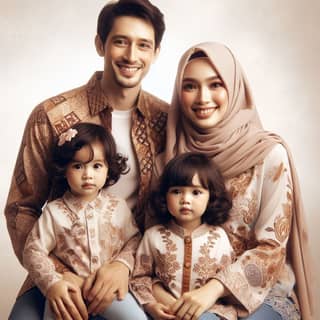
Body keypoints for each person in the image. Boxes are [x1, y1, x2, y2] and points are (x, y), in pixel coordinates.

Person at [5, 0, 168, 319]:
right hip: (57, 273)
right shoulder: (50, 115)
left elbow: (168, 212)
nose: (131, 56)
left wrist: (124, 265)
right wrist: (57, 275)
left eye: (143, 45)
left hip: (133, 273)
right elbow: (21, 209)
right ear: (100, 44)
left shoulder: (167, 121)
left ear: (155, 53)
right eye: (120, 41)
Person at [152, 42, 314, 320]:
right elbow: (152, 240)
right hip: (183, 294)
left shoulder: (268, 156)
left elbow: (272, 249)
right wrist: (161, 299)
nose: (203, 97)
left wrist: (214, 290)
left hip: (260, 295)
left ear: (235, 88)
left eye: (215, 85)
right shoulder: (169, 158)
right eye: (190, 86)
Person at [22, 122, 147, 320]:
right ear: (65, 169)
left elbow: (135, 240)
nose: (88, 174)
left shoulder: (117, 206)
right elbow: (33, 251)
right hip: (68, 291)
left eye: (96, 166)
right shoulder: (55, 212)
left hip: (108, 292)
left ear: (108, 168)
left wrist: (122, 263)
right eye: (78, 166)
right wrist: (52, 284)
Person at [131, 152, 236, 320]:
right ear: (165, 195)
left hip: (208, 313)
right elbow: (140, 278)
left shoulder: (219, 237)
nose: (186, 199)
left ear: (211, 197)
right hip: (164, 313)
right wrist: (151, 305)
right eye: (177, 191)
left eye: (196, 192)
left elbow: (226, 282)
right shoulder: (153, 236)